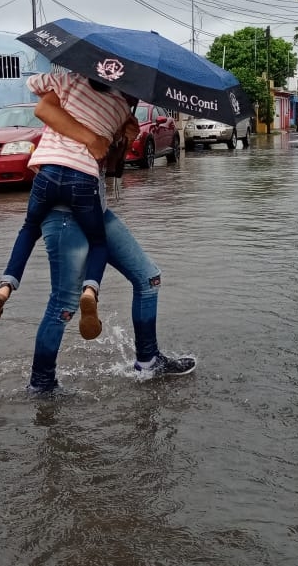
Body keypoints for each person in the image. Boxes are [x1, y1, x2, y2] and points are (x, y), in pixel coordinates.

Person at [27, 89, 196, 393]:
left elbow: (111, 169)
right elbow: (44, 109)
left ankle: (148, 361)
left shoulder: (118, 105)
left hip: (96, 208)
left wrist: (125, 137)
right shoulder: (72, 91)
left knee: (148, 278)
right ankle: (41, 385)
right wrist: (92, 138)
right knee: (63, 302)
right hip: (62, 212)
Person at [0, 70, 130, 340]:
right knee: (99, 242)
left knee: (28, 229)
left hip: (47, 172)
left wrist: (62, 86)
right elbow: (111, 153)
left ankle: (4, 288)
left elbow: (34, 84)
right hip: (83, 178)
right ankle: (90, 291)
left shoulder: (68, 80)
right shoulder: (120, 107)